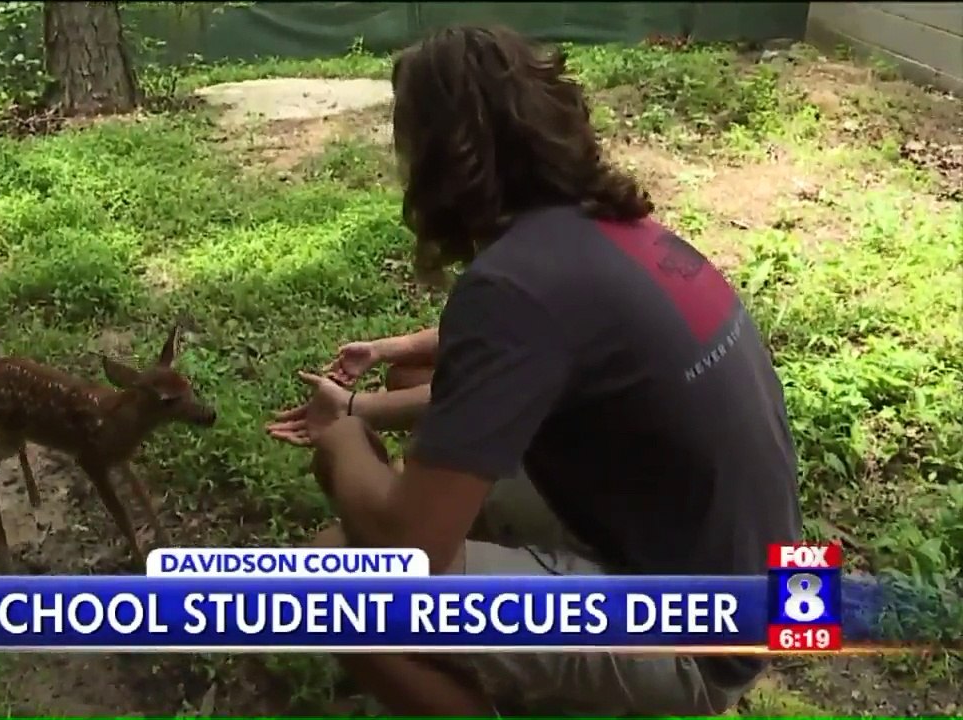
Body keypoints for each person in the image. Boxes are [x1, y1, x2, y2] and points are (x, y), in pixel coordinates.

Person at [265, 25, 803, 718]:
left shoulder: (511, 288)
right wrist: (367, 403)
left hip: (700, 641)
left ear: (435, 157)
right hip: (768, 585)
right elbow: (535, 353)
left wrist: (341, 442)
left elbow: (414, 550)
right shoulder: (609, 227)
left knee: (326, 581)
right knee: (400, 443)